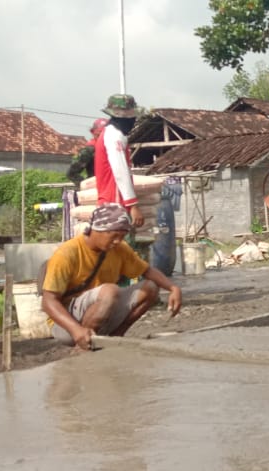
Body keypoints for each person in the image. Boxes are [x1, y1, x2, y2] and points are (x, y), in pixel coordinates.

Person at [41, 204, 182, 350]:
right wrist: (76, 330)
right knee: (110, 291)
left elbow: (146, 270)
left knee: (151, 287)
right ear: (97, 229)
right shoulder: (67, 253)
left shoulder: (120, 249)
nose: (117, 241)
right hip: (67, 326)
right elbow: (48, 302)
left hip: (103, 310)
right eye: (114, 235)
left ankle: (116, 337)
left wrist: (173, 288)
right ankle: (83, 344)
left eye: (121, 236)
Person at [94, 94, 144, 228]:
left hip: (110, 202)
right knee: (121, 246)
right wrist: (133, 205)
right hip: (115, 203)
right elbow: (120, 171)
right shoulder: (115, 136)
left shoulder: (111, 134)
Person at [67, 118, 108, 186]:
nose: (102, 138)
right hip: (97, 189)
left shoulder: (115, 149)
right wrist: (87, 185)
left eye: (105, 135)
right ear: (93, 132)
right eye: (99, 135)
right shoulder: (89, 150)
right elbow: (71, 173)